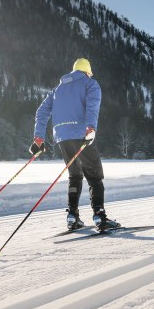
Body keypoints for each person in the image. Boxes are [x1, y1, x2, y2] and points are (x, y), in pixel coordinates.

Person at [29, 58, 120, 231]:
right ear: (87, 72)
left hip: (62, 137)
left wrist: (38, 138)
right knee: (94, 176)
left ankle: (72, 216)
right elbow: (93, 106)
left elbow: (41, 112)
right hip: (81, 134)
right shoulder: (90, 84)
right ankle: (99, 216)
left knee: (75, 175)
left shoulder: (57, 89)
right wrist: (90, 128)